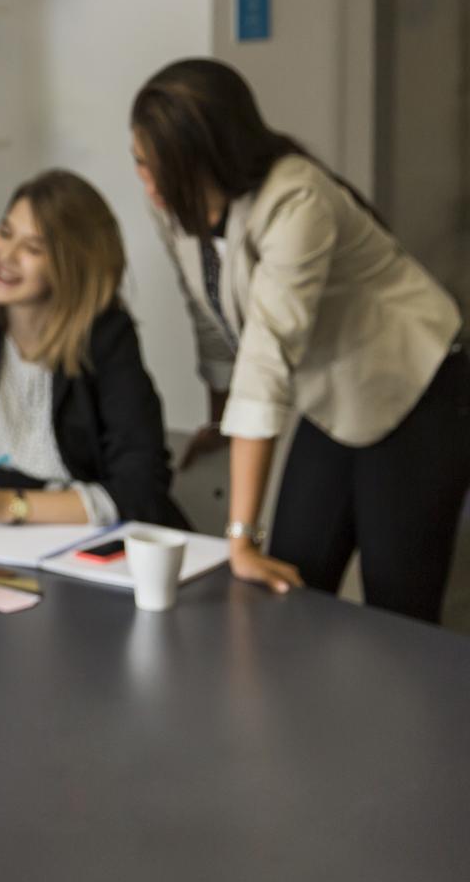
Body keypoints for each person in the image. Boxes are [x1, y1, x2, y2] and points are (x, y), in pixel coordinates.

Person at [131, 57, 469, 620]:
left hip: (418, 388)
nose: (148, 184)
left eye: (160, 168)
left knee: (398, 613)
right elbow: (210, 310)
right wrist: (220, 420)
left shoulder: (296, 201)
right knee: (289, 577)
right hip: (333, 393)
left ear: (209, 156)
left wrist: (238, 537)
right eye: (140, 163)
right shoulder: (174, 203)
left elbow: (266, 360)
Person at [0, 170, 187, 528]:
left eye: (33, 248)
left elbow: (141, 488)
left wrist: (8, 504)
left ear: (72, 267)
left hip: (110, 546)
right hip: (6, 545)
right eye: (5, 233)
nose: (7, 256)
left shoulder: (107, 337)